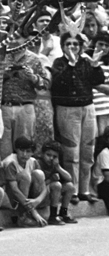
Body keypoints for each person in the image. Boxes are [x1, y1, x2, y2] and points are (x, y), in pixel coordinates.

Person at [50, 33, 106, 203]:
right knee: (71, 151)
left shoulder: (86, 61)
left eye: (76, 43)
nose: (72, 46)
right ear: (63, 46)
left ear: (81, 46)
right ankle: (72, 190)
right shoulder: (59, 63)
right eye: (68, 43)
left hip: (87, 107)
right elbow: (58, 83)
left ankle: (84, 190)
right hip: (68, 109)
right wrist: (71, 64)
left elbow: (98, 80)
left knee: (88, 150)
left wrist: (96, 66)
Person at [1, 136, 48, 227]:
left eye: (28, 151)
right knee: (24, 176)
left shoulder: (33, 161)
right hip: (9, 196)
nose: (24, 154)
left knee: (39, 173)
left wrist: (37, 200)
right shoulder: (11, 162)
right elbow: (14, 189)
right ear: (16, 149)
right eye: (22, 150)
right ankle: (23, 216)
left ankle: (32, 210)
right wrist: (33, 211)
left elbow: (44, 186)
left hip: (27, 197)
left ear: (32, 152)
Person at [36, 141, 76, 225]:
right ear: (42, 154)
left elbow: (69, 178)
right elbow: (38, 185)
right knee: (56, 185)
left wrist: (58, 167)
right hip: (39, 195)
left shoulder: (54, 165)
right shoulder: (38, 163)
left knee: (70, 186)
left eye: (54, 156)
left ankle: (63, 213)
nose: (51, 158)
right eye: (48, 155)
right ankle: (53, 216)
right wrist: (51, 180)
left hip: (49, 194)